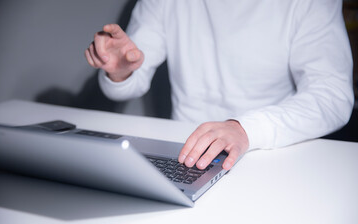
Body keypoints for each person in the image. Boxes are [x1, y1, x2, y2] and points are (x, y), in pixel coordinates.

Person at [85, 0, 354, 171]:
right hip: (183, 153)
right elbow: (131, 83)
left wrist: (245, 129)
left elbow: (333, 95)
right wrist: (120, 73)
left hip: (272, 154)